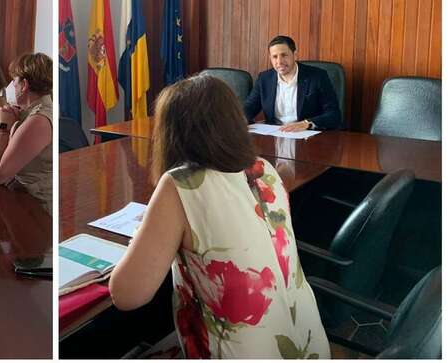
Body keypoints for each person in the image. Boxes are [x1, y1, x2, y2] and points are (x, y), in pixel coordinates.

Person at [109, 75, 330, 358]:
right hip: (305, 345)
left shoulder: (181, 184)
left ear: (171, 133)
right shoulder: (264, 170)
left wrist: (143, 237)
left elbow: (127, 295)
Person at [0, 53, 53, 213]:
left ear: (24, 85)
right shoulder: (27, 112)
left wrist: (2, 128)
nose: (11, 86)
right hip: (19, 195)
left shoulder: (38, 120)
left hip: (36, 209)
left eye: (14, 80)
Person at [243, 35, 341, 131]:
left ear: (295, 55)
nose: (279, 61)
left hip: (306, 136)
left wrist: (307, 123)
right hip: (275, 135)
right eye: (274, 57)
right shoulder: (264, 79)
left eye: (284, 55)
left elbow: (334, 114)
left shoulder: (317, 76)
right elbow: (250, 106)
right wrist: (240, 118)